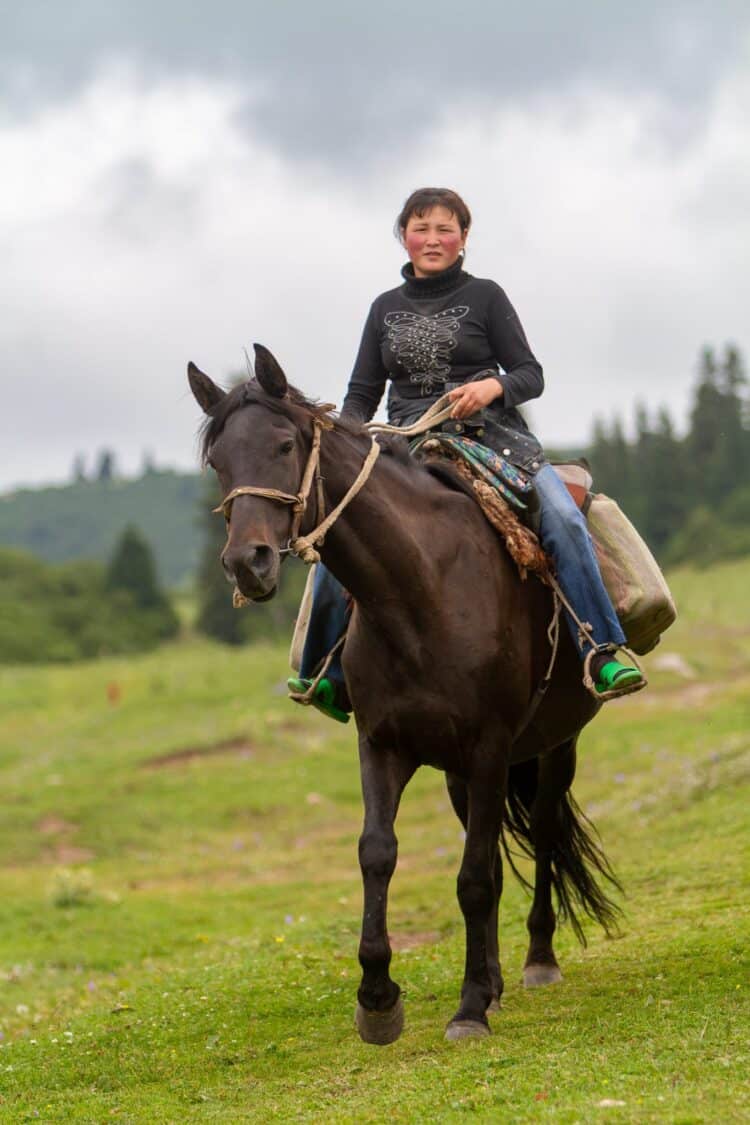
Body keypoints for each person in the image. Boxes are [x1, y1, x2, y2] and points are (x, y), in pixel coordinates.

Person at [288, 187, 645, 722]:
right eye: (421, 227)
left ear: (463, 239)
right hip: (404, 444)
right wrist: (350, 435)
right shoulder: (383, 308)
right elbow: (361, 393)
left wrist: (492, 388)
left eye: (445, 229)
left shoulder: (487, 296)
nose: (433, 239)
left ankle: (600, 651)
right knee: (342, 529)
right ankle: (327, 669)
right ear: (404, 237)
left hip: (493, 438)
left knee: (565, 520)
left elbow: (531, 374)